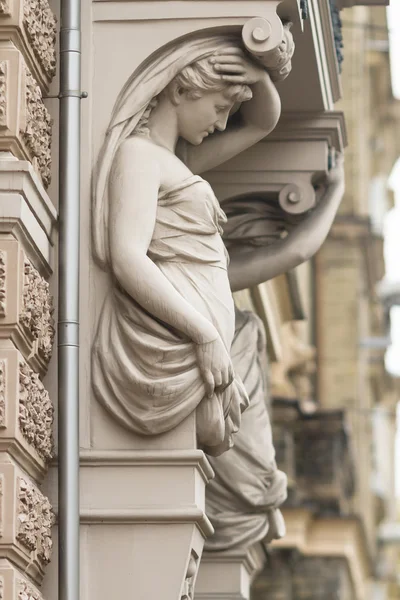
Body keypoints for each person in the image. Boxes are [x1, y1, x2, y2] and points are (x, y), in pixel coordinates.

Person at [92, 35, 286, 456]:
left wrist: (257, 75)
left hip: (194, 350)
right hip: (174, 345)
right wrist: (203, 335)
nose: (221, 123)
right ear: (180, 90)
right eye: (220, 108)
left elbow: (263, 122)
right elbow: (127, 257)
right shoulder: (139, 155)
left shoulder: (177, 161)